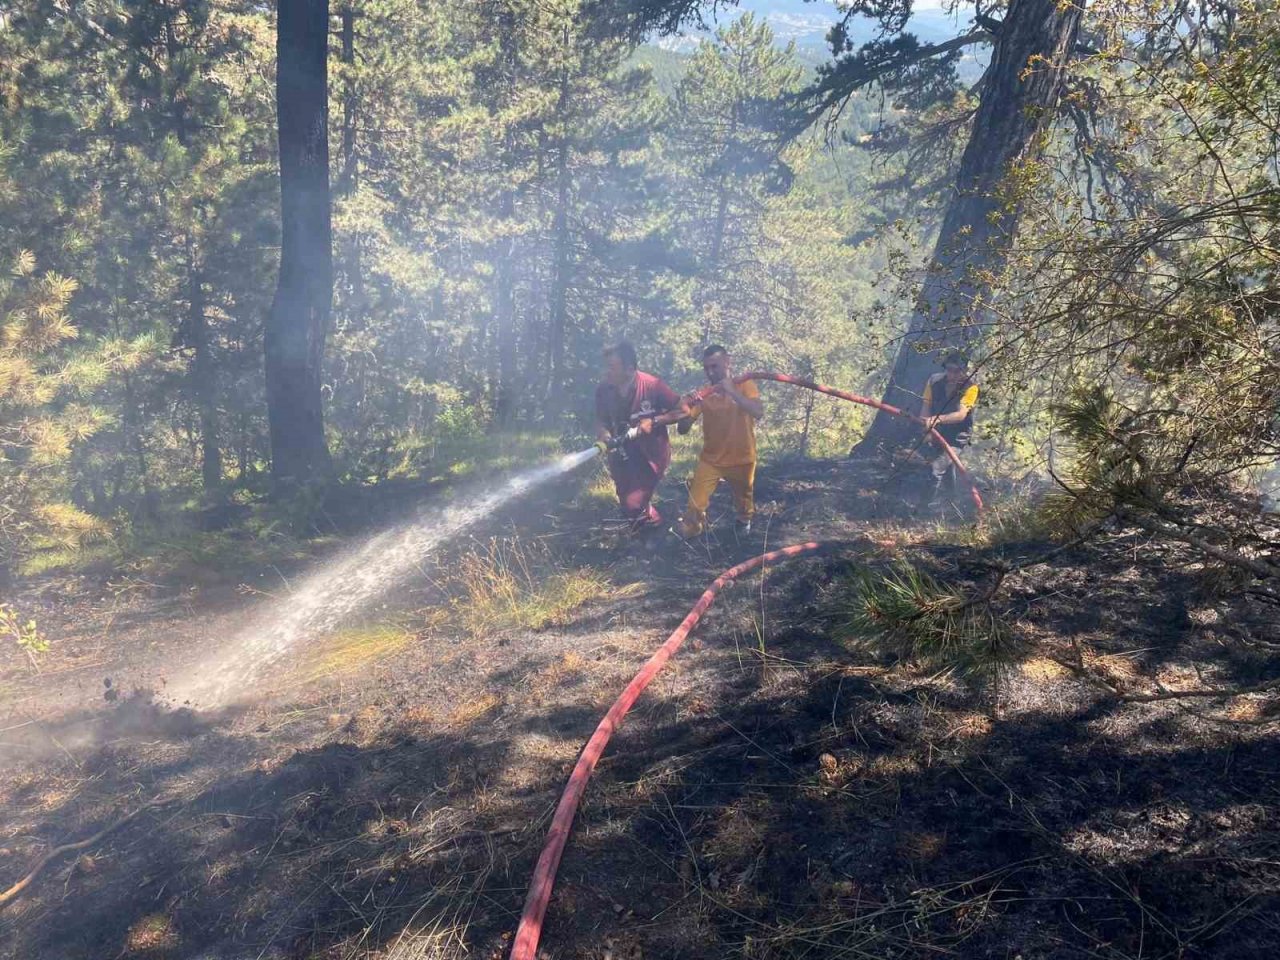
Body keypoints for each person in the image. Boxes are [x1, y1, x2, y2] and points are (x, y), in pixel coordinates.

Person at [594, 342, 687, 531]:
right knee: (625, 498)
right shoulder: (604, 390)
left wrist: (655, 421)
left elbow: (683, 410)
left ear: (629, 369)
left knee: (634, 502)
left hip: (650, 454)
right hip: (619, 453)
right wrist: (603, 433)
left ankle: (652, 526)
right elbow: (599, 419)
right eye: (606, 366)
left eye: (612, 367)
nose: (607, 372)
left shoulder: (653, 386)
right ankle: (643, 523)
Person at [674, 344, 764, 538]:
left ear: (727, 363)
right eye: (706, 368)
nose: (710, 372)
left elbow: (758, 412)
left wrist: (732, 391)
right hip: (711, 460)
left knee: (743, 500)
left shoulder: (745, 385)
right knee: (695, 504)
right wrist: (685, 409)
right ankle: (694, 528)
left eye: (715, 366)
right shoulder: (704, 394)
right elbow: (682, 430)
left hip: (742, 458)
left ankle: (743, 520)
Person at [919, 349, 979, 505]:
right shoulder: (934, 381)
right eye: (949, 370)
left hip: (958, 436)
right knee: (947, 467)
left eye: (956, 371)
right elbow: (926, 405)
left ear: (964, 371)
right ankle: (952, 502)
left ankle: (921, 509)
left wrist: (937, 420)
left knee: (935, 468)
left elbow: (961, 415)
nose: (951, 375)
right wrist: (926, 428)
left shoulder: (971, 388)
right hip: (937, 431)